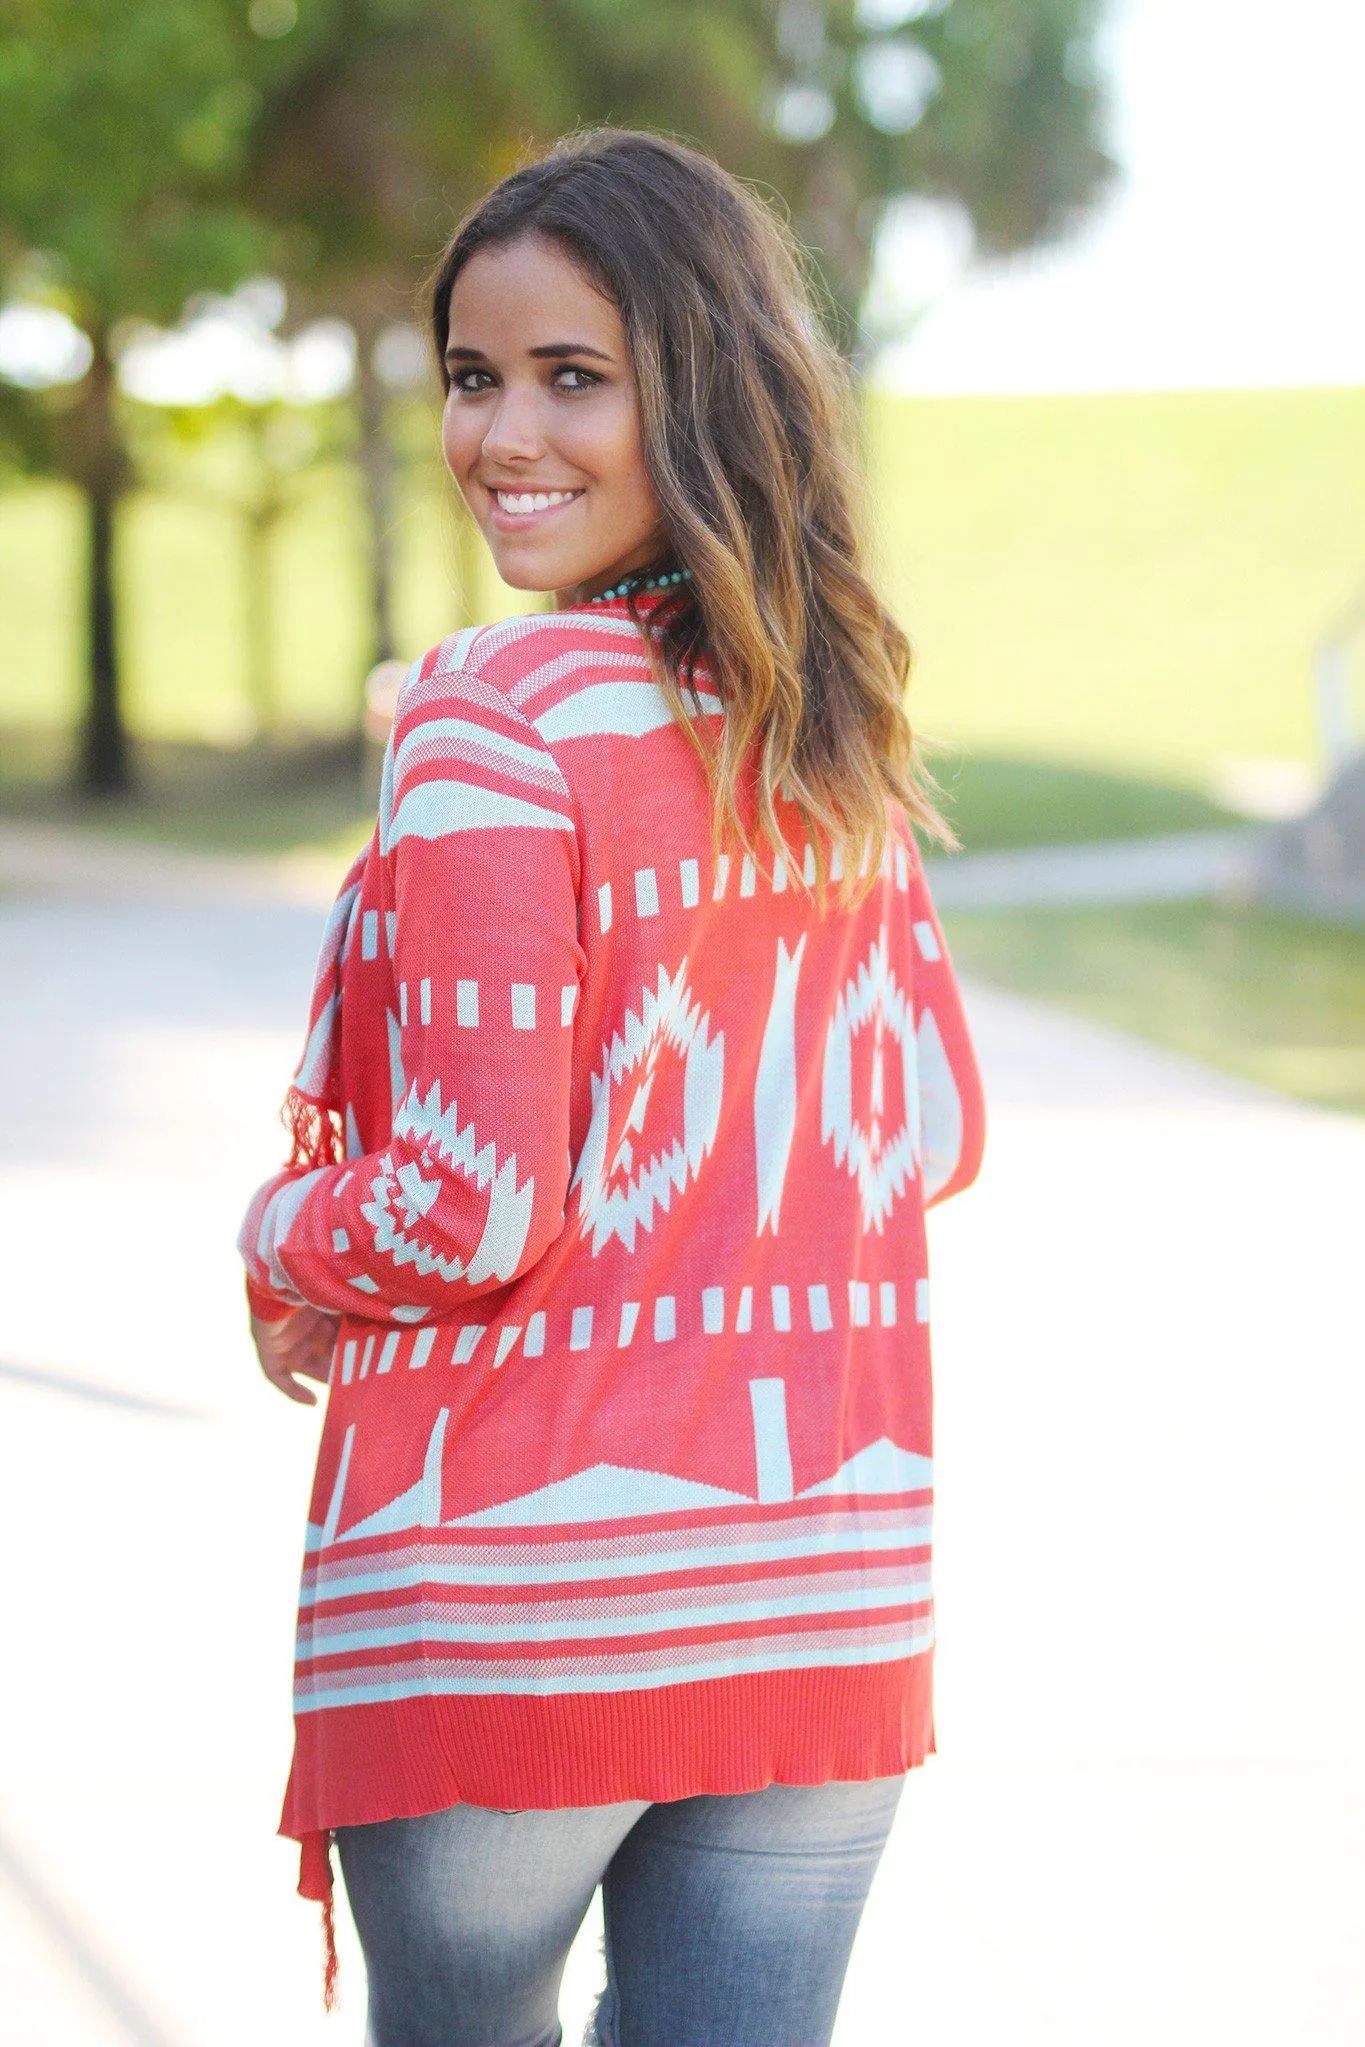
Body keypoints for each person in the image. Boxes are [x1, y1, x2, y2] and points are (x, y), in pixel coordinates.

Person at [239, 127, 985, 2047]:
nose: (504, 437)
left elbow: (467, 1199)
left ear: (703, 382)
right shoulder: (834, 725)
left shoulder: (492, 715)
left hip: (523, 1607)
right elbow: (935, 1126)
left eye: (576, 376)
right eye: (474, 378)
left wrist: (279, 1237)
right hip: (822, 1580)